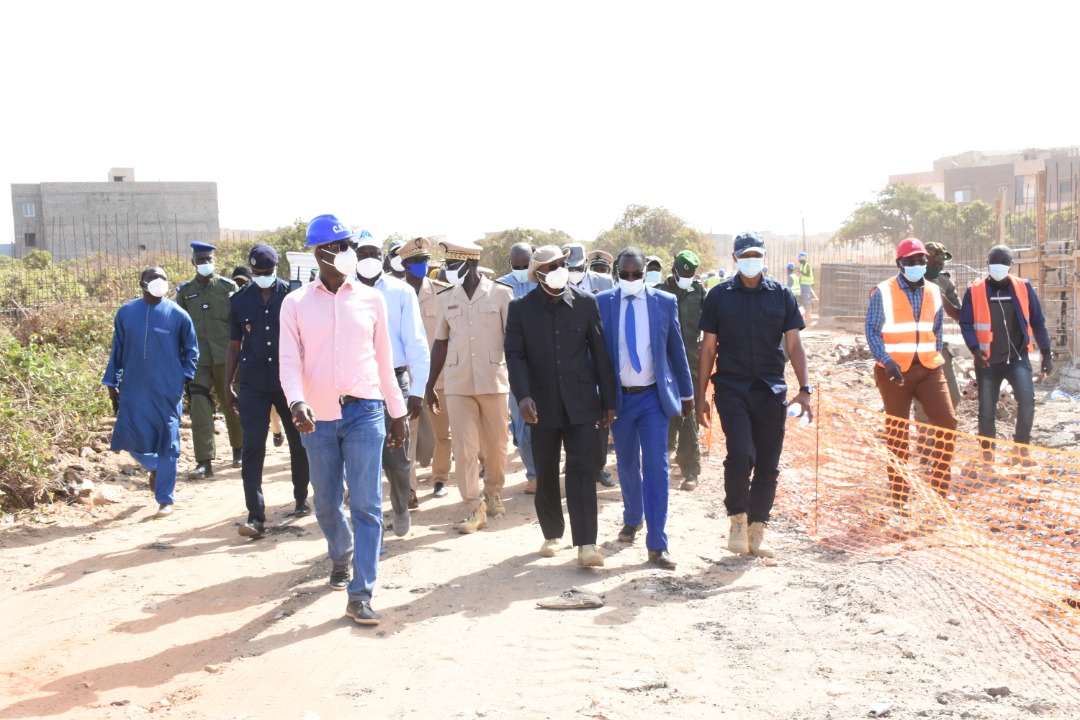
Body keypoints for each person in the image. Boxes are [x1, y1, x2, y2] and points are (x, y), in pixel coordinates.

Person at [279, 214, 408, 626]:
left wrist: (398, 412)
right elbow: (288, 361)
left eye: (352, 245)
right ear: (322, 253)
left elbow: (385, 361)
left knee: (368, 504)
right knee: (327, 501)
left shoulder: (372, 299)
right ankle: (341, 553)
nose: (351, 253)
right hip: (316, 417)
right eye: (343, 246)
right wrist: (296, 402)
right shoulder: (295, 303)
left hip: (365, 411)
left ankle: (361, 592)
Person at [696, 232, 811, 558]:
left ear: (764, 256)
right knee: (741, 453)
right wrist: (700, 394)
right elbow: (708, 347)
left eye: (756, 254)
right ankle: (736, 520)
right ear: (735, 258)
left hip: (770, 390)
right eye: (745, 255)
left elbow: (794, 345)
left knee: (768, 464)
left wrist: (805, 389)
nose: (751, 260)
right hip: (731, 388)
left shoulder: (782, 295)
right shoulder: (718, 296)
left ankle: (757, 531)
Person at [505, 245, 617, 566]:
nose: (559, 269)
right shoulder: (521, 309)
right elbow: (515, 356)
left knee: (583, 470)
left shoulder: (585, 304)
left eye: (562, 264)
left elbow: (600, 353)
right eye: (552, 266)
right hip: (540, 405)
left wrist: (608, 401)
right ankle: (552, 533)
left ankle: (587, 544)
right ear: (537, 273)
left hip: (582, 404)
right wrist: (523, 395)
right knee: (547, 469)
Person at [596, 247, 694, 570]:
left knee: (656, 466)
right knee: (626, 464)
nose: (631, 279)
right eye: (624, 275)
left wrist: (687, 394)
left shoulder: (664, 303)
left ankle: (657, 542)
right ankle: (633, 517)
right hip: (620, 400)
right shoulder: (604, 303)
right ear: (616, 275)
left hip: (653, 398)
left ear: (644, 273)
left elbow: (676, 350)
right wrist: (601, 398)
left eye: (636, 274)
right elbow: (596, 355)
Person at [425, 239, 514, 534]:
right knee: (465, 448)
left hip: (493, 380)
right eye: (447, 265)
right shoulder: (446, 298)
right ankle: (473, 506)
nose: (447, 271)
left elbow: (513, 343)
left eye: (452, 265)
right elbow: (440, 343)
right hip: (457, 382)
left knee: (497, 444)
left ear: (471, 264)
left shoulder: (501, 294)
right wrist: (429, 384)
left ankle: (493, 492)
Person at [224, 244, 311, 539]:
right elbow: (234, 347)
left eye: (267, 273)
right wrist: (227, 387)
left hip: (289, 382)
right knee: (252, 448)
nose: (263, 277)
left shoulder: (293, 296)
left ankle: (301, 497)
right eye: (257, 273)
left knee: (299, 443)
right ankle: (255, 514)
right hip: (253, 383)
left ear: (276, 270)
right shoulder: (239, 302)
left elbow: (305, 341)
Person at [865, 237, 957, 511]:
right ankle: (900, 497)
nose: (917, 265)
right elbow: (872, 330)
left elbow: (936, 329)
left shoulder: (933, 290)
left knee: (947, 422)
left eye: (920, 260)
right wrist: (886, 360)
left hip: (929, 369)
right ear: (899, 263)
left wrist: (933, 355)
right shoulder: (883, 291)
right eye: (911, 261)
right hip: (894, 373)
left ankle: (940, 488)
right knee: (898, 434)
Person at [103, 267, 198, 518]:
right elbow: (117, 350)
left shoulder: (178, 315)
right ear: (141, 284)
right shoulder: (125, 313)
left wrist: (182, 377)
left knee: (169, 441)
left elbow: (192, 352)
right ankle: (156, 466)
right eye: (153, 278)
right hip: (133, 389)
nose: (159, 282)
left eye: (163, 278)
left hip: (167, 391)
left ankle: (165, 499)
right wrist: (112, 383)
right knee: (127, 435)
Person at [354, 231, 429, 537]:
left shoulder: (400, 292)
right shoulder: (344, 292)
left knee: (396, 456)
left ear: (383, 257)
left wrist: (417, 389)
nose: (367, 260)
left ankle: (400, 507)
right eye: (361, 255)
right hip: (357, 380)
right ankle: (368, 519)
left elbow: (416, 343)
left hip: (394, 379)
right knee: (361, 456)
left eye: (373, 254)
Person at [959, 245, 1052, 465]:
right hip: (988, 360)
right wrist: (974, 348)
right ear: (987, 263)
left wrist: (1046, 354)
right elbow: (965, 323)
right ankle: (987, 454)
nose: (998, 266)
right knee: (986, 409)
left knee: (1027, 400)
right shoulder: (974, 290)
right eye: (994, 261)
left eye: (1003, 262)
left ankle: (1020, 450)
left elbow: (1037, 321)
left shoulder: (1023, 287)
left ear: (1011, 265)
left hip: (1017, 358)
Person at [175, 241, 243, 479]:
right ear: (193, 263)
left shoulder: (228, 287)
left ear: (215, 262)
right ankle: (204, 461)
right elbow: (180, 328)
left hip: (227, 357)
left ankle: (239, 448)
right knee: (200, 409)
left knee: (230, 402)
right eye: (200, 260)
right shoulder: (184, 293)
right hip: (198, 360)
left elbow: (240, 323)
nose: (205, 263)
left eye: (208, 260)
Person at [399, 237, 454, 499]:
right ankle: (409, 489)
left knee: (442, 433)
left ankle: (440, 478)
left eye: (424, 261)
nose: (421, 265)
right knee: (406, 437)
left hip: (437, 377)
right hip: (405, 379)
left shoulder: (443, 292)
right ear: (405, 264)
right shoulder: (396, 294)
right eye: (416, 261)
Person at [564, 242, 616, 487]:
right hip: (568, 358)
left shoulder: (604, 283)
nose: (572, 271)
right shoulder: (556, 281)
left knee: (600, 414)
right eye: (568, 267)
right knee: (569, 413)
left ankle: (599, 466)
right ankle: (574, 462)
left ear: (585, 264)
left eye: (576, 267)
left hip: (596, 357)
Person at [655, 250, 706, 491]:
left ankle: (691, 471)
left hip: (691, 363)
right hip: (663, 365)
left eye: (691, 273)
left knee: (689, 417)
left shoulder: (699, 292)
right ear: (674, 269)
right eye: (683, 272)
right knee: (663, 416)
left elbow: (709, 326)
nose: (687, 276)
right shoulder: (659, 292)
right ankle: (659, 465)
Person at [497, 242, 539, 493]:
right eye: (516, 266)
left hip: (542, 365)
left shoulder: (543, 281)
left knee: (546, 424)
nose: (521, 270)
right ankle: (533, 475)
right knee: (522, 426)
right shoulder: (499, 286)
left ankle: (547, 472)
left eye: (526, 265)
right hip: (513, 367)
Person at [797, 252, 815, 317]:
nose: (799, 260)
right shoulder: (802, 266)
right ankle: (804, 313)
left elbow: (808, 274)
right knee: (802, 298)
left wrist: (801, 272)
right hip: (802, 284)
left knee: (806, 298)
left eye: (799, 259)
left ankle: (808, 313)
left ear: (803, 259)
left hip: (807, 284)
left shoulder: (807, 266)